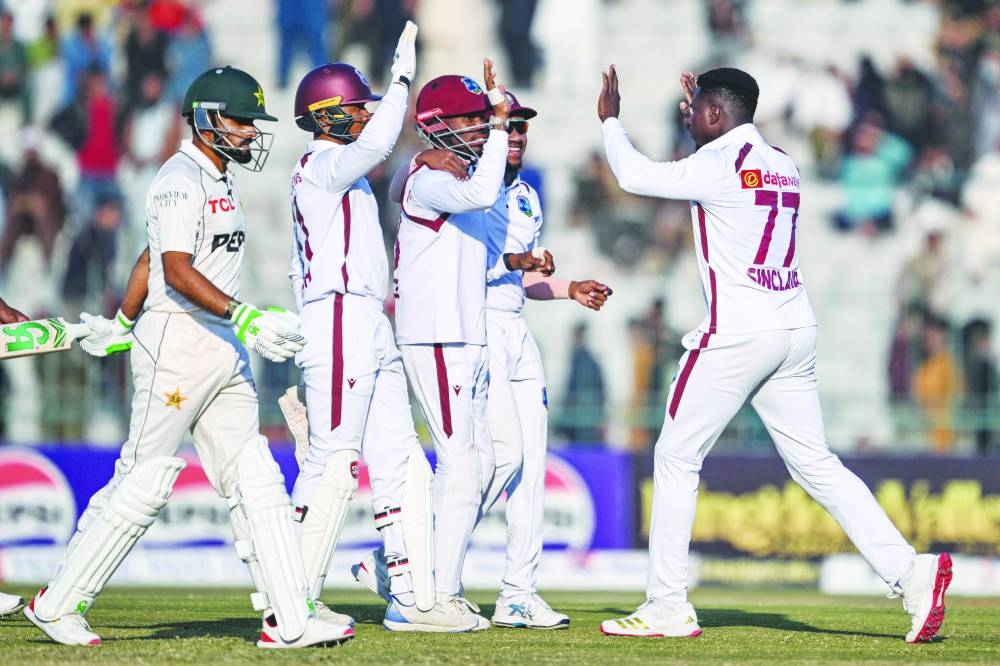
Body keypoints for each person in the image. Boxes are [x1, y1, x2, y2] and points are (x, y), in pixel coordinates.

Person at [594, 65, 952, 643]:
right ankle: (912, 574)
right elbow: (725, 164)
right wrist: (703, 124)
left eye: (698, 111)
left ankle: (666, 604)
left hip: (739, 332)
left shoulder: (716, 164)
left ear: (714, 113)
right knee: (817, 465)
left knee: (676, 456)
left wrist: (611, 120)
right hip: (793, 327)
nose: (692, 118)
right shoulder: (782, 160)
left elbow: (634, 175)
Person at [23, 66, 353, 649]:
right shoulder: (179, 179)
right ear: (205, 120)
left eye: (254, 123)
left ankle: (288, 616)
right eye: (240, 121)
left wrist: (122, 322)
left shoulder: (219, 178)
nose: (251, 132)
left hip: (220, 347)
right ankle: (58, 603)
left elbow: (148, 262)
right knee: (144, 481)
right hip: (178, 345)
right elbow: (173, 269)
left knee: (255, 475)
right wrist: (242, 316)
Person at [369, 92, 612, 628]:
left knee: (523, 462)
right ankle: (414, 570)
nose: (517, 134)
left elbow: (517, 277)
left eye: (522, 126)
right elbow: (434, 227)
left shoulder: (525, 196)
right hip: (470, 327)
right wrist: (417, 159)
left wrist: (569, 287)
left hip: (514, 329)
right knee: (484, 460)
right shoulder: (466, 182)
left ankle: (517, 590)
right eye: (511, 126)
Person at [283, 23, 478, 633]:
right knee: (335, 463)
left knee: (404, 465)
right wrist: (399, 82)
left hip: (365, 318)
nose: (367, 116)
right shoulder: (323, 164)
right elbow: (376, 145)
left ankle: (413, 599)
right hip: (338, 313)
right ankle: (291, 603)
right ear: (329, 114)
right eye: (358, 107)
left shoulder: (344, 171)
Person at [390, 62, 549, 628]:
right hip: (436, 334)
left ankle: (422, 580)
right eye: (470, 120)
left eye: (484, 119)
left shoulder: (447, 173)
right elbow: (475, 191)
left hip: (468, 334)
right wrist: (503, 123)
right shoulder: (436, 178)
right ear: (436, 126)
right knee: (461, 464)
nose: (482, 128)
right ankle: (424, 597)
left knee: (499, 457)